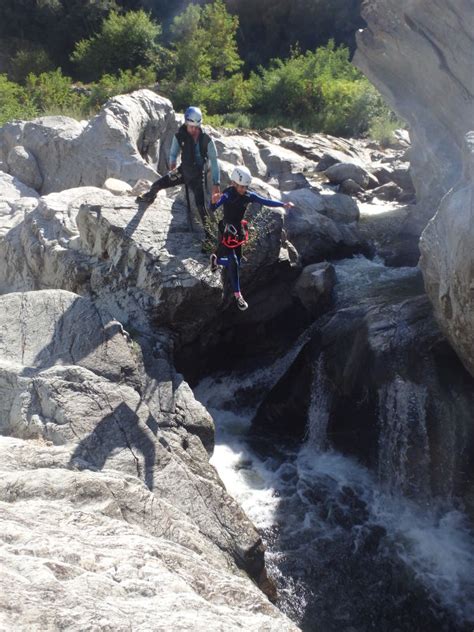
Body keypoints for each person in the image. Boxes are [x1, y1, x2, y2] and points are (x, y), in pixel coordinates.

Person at [210, 165, 294, 311]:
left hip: (238, 231)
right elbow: (213, 208)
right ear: (234, 183)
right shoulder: (228, 194)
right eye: (241, 186)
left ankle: (216, 259)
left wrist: (283, 204)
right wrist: (213, 201)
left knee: (237, 260)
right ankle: (238, 296)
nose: (244, 189)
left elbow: (264, 201)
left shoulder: (248, 195)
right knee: (234, 262)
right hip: (227, 230)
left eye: (245, 187)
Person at [136, 106, 221, 224]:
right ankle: (150, 197)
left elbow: (214, 162)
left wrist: (216, 184)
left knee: (201, 208)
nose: (194, 129)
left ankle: (208, 235)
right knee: (156, 185)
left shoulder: (206, 140)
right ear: (186, 123)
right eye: (191, 126)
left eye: (196, 127)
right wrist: (172, 165)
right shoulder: (180, 135)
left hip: (197, 177)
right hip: (182, 172)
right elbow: (173, 153)